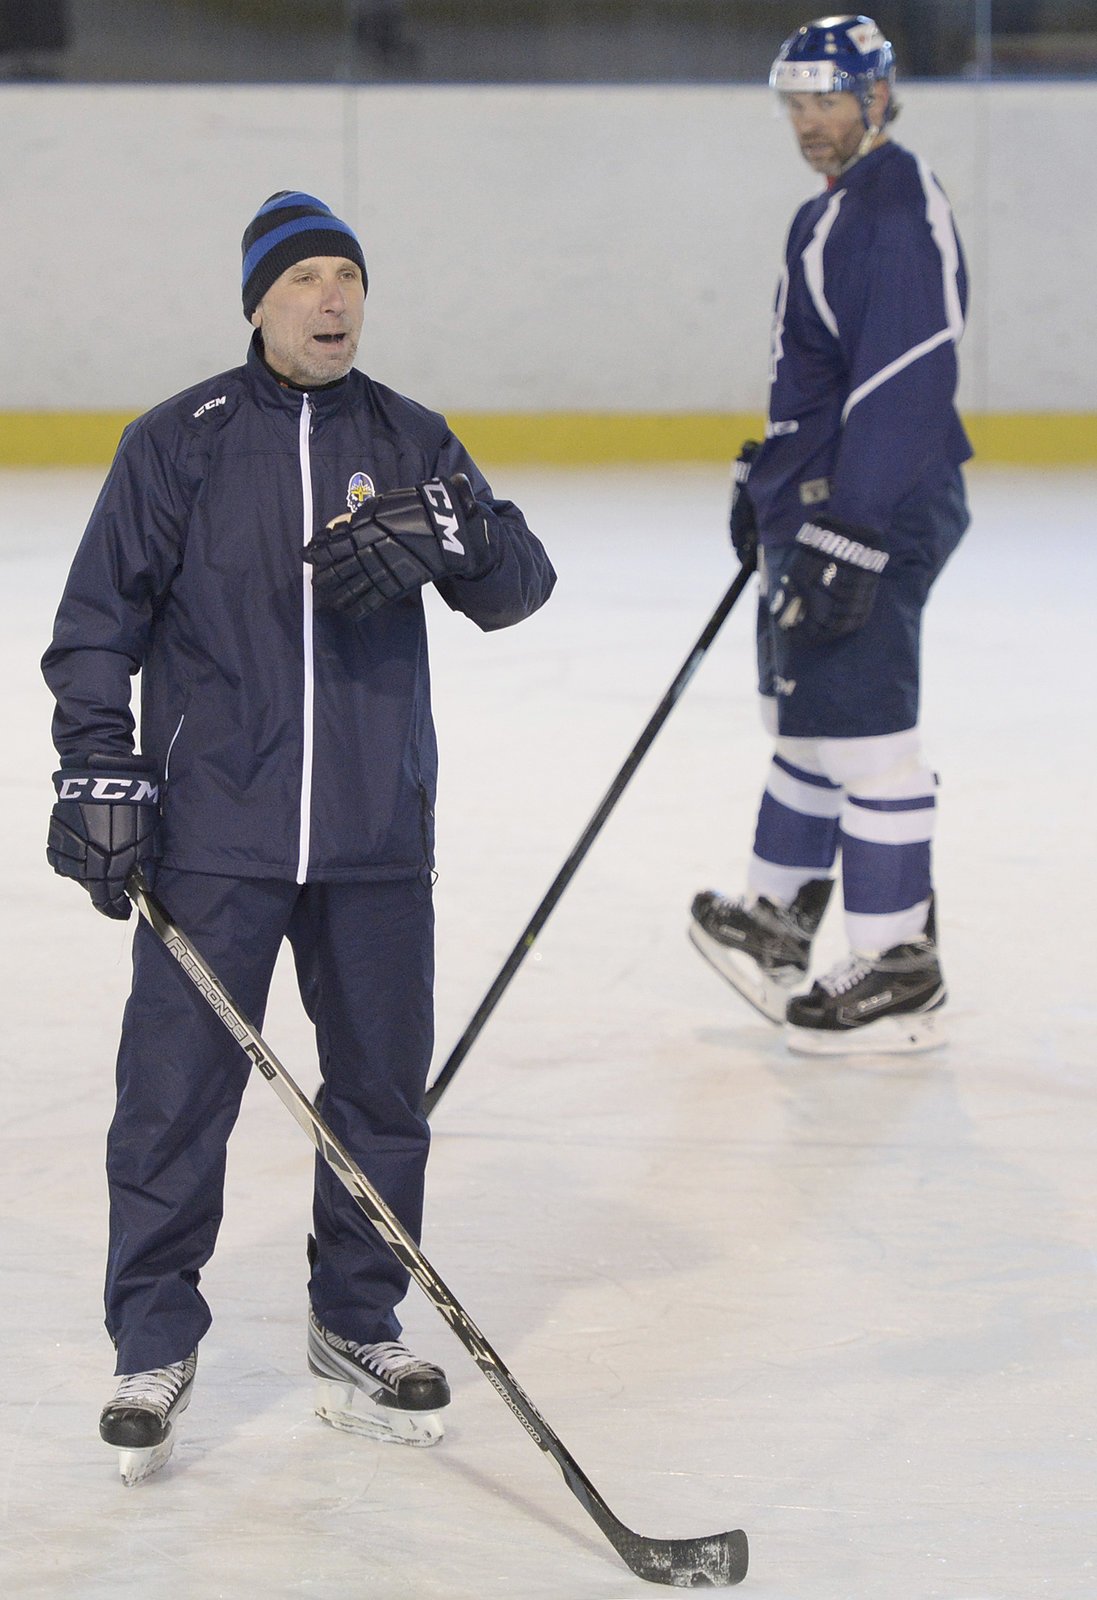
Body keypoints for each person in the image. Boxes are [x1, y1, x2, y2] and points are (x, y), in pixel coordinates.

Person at [42, 190, 556, 1484]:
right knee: (172, 1102)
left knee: (382, 1092)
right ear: (259, 303)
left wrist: (448, 531)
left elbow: (519, 586)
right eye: (306, 280)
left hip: (377, 831)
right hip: (216, 832)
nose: (333, 301)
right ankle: (153, 1339)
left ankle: (356, 1323)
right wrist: (99, 767)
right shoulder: (180, 444)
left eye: (348, 278)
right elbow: (98, 621)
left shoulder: (411, 435)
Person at [689, 15, 970, 1055]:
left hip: (874, 505)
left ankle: (899, 963)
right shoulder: (836, 210)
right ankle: (775, 920)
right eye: (794, 102)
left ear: (877, 95)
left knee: (869, 738)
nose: (808, 121)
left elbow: (903, 380)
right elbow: (821, 380)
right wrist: (765, 479)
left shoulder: (891, 209)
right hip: (825, 498)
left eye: (828, 99)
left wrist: (850, 528)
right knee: (807, 725)